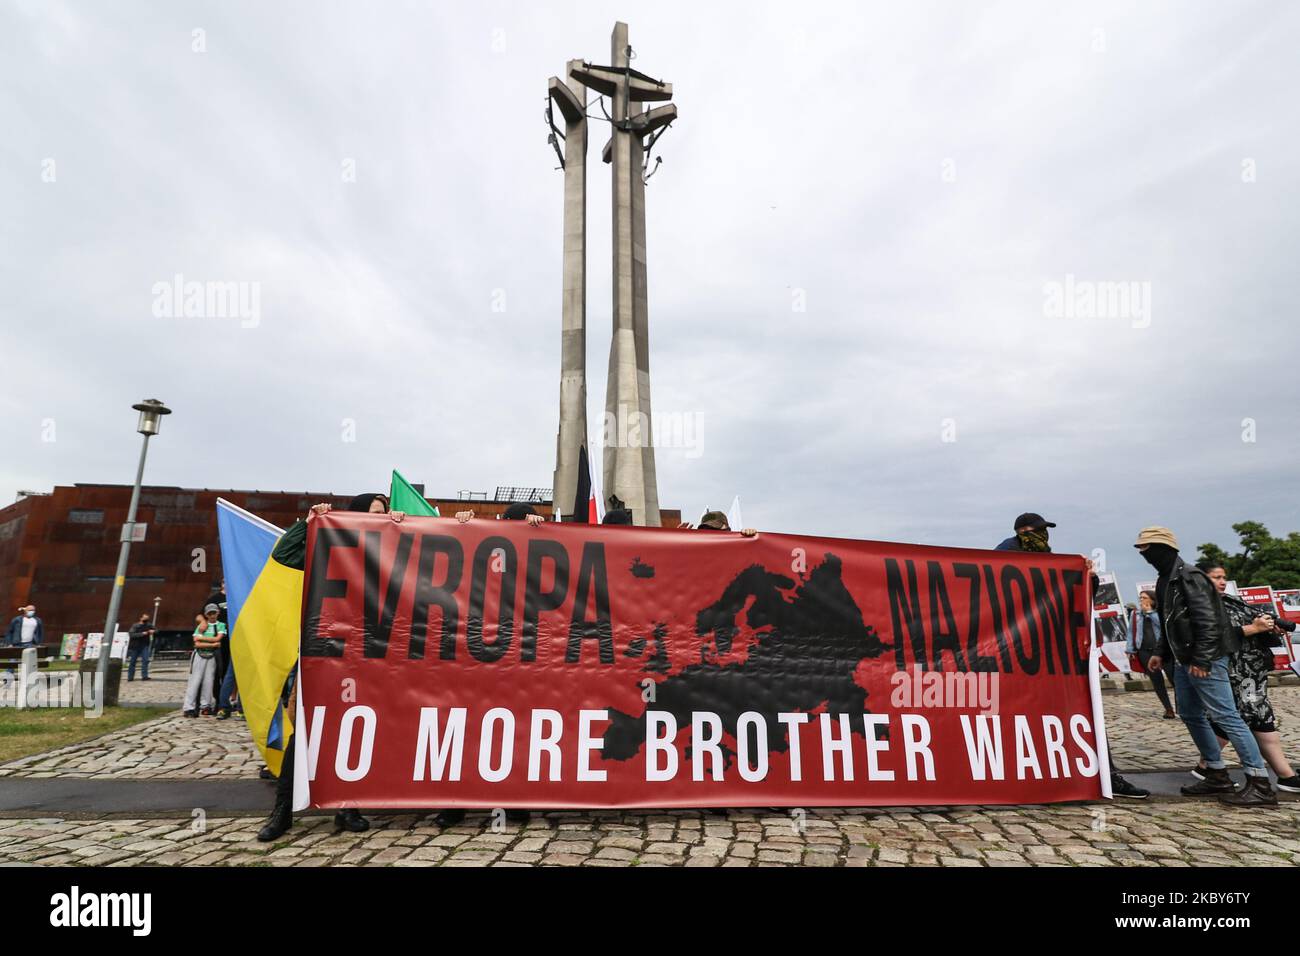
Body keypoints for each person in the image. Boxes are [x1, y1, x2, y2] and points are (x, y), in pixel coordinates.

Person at [257, 492, 404, 843]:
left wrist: (407, 528)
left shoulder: (388, 551)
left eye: (382, 515)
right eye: (371, 514)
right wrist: (309, 525)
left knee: (358, 729)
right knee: (306, 731)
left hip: (369, 652)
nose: (377, 520)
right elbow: (284, 556)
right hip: (325, 649)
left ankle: (348, 807)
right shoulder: (328, 543)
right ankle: (283, 811)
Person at [993, 511, 1150, 798]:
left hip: (1056, 654)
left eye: (1043, 530)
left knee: (1083, 712)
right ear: (1021, 532)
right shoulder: (1005, 556)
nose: (1041, 535)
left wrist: (1086, 579)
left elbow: (1078, 602)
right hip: (1021, 655)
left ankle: (1107, 775)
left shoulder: (1056, 563)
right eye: (1034, 530)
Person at [1137, 527, 1277, 806]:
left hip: (1204, 659)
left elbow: (1208, 621)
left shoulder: (1189, 577)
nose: (1143, 554)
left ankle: (1259, 781)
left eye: (1147, 548)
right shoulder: (1166, 579)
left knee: (1226, 716)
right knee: (1190, 713)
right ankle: (1216, 773)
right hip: (1183, 659)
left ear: (1164, 549)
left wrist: (1202, 658)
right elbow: (1169, 621)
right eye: (1141, 549)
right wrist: (1161, 652)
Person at [433, 503, 541, 828]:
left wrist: (543, 526)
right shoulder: (482, 549)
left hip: (515, 658)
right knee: (468, 731)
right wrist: (464, 524)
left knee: (512, 733)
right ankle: (455, 804)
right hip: (474, 654)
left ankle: (512, 801)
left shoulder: (533, 554)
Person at [1185, 562, 1300, 793]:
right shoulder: (1201, 605)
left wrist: (1269, 627)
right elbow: (1215, 636)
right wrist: (1254, 628)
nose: (1222, 581)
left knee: (1248, 718)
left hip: (1251, 671)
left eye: (1223, 576)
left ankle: (1209, 767)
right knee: (1242, 718)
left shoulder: (1230, 600)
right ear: (1201, 579)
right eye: (1215, 577)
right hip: (1232, 672)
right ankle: (1281, 774)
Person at [1127, 591, 1175, 719]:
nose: (1142, 600)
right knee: (1157, 681)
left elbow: (1163, 627)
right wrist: (1130, 650)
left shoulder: (1159, 612)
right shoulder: (1135, 614)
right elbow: (1131, 632)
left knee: (1173, 678)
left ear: (1153, 600)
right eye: (1140, 598)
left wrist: (1149, 613)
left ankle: (1184, 706)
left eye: (1145, 598)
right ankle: (1168, 708)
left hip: (1163, 650)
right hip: (1144, 651)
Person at [184, 604, 224, 717]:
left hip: (211, 656)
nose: (212, 615)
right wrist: (213, 644)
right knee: (195, 681)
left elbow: (218, 638)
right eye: (210, 613)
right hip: (199, 655)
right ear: (206, 615)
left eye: (214, 613)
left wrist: (202, 639)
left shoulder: (221, 625)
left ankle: (206, 705)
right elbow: (196, 643)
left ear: (217, 613)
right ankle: (188, 707)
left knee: (209, 681)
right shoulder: (201, 626)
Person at [126, 613, 154, 681]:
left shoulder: (149, 625)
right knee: (133, 661)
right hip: (135, 645)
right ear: (141, 618)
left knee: (145, 660)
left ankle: (144, 676)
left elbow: (156, 630)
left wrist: (153, 631)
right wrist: (142, 634)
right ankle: (130, 677)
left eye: (147, 618)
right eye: (145, 618)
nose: (146, 620)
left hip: (145, 645)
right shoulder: (135, 625)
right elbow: (131, 634)